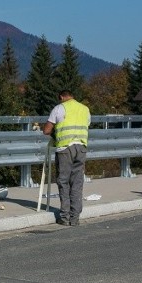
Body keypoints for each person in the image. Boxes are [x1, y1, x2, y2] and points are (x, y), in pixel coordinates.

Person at [42, 89, 91, 226]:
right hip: (81, 147)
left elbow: (46, 130)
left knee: (63, 181)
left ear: (61, 97)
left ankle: (64, 216)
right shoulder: (84, 109)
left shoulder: (59, 108)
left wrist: (55, 132)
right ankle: (75, 218)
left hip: (65, 148)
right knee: (77, 181)